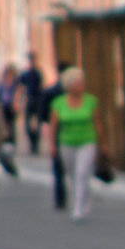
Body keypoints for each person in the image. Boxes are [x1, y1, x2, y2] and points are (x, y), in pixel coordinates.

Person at [48, 67, 107, 221]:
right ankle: (84, 197)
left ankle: (78, 207)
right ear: (69, 85)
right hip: (67, 142)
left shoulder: (90, 101)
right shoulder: (58, 103)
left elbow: (98, 123)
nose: (81, 86)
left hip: (87, 141)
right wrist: (52, 145)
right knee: (73, 174)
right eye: (77, 83)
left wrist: (103, 143)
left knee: (82, 172)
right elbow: (54, 125)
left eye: (82, 82)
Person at [39, 61, 70, 210]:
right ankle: (70, 197)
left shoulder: (49, 91)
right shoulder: (64, 93)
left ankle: (60, 198)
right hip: (64, 131)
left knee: (58, 168)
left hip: (56, 132)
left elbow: (43, 115)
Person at [18, 51, 44, 154]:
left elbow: (41, 86)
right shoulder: (26, 74)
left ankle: (36, 143)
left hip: (37, 99)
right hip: (29, 99)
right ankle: (32, 142)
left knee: (37, 123)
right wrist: (20, 100)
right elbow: (21, 88)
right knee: (28, 125)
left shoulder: (37, 73)